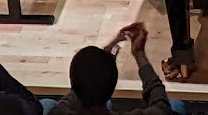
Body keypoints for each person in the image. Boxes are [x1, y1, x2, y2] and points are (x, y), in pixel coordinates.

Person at [44, 23, 173, 115]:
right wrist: (139, 54)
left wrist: (104, 61)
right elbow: (161, 106)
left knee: (47, 103)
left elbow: (76, 93)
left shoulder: (58, 112)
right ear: (113, 86)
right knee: (176, 104)